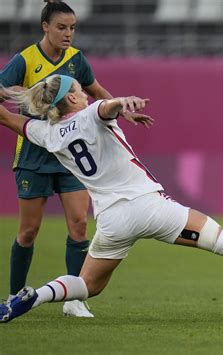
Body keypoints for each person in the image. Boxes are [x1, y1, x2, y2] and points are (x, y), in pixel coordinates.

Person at [0, 74, 223, 323]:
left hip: (111, 221)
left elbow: (8, 118)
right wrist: (123, 102)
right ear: (72, 99)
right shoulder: (91, 113)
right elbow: (106, 107)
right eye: (78, 90)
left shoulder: (45, 133)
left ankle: (36, 295)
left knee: (89, 285)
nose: (84, 94)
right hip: (148, 206)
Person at [0, 0, 144, 317]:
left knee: (79, 225)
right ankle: (14, 296)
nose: (68, 34)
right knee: (28, 232)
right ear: (45, 27)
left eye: (73, 28)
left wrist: (122, 108)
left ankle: (75, 299)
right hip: (34, 156)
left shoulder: (76, 60)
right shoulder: (25, 60)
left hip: (70, 158)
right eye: (62, 27)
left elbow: (95, 90)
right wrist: (26, 123)